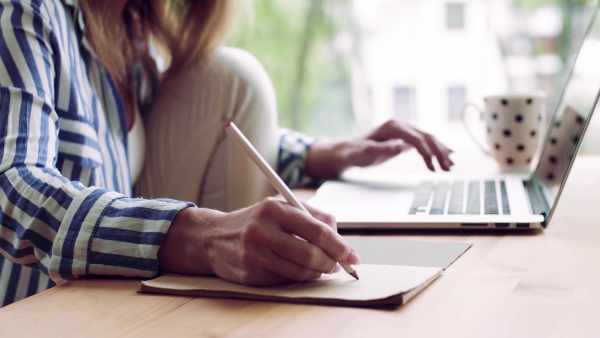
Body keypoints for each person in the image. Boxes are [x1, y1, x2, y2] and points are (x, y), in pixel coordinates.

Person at [0, 0, 453, 307]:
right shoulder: (24, 14)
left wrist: (323, 153)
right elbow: (11, 191)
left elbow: (209, 133)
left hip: (102, 302)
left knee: (230, 76)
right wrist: (204, 237)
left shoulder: (130, 29)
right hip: (35, 312)